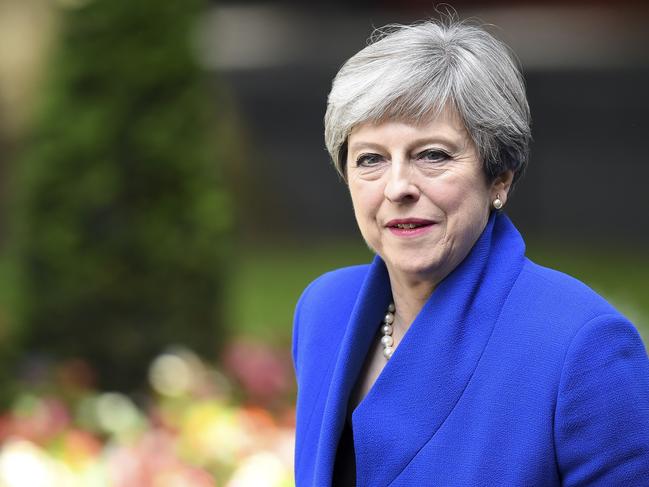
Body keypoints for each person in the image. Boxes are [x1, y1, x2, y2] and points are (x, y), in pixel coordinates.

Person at [291, 17, 649, 487]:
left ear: (499, 176)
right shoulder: (324, 310)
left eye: (432, 155)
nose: (398, 186)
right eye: (371, 159)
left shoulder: (583, 348)